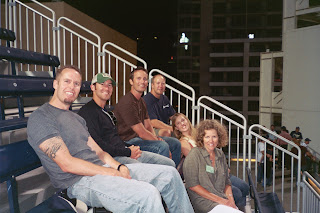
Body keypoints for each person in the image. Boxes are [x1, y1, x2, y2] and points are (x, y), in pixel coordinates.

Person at [27, 65, 194, 212]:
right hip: (78, 182)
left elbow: (99, 152)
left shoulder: (76, 118)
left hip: (102, 169)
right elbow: (66, 164)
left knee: (170, 174)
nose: (72, 87)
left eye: (76, 83)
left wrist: (119, 166)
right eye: (67, 81)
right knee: (148, 195)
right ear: (55, 84)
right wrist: (111, 172)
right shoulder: (42, 117)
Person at [78, 73, 175, 167]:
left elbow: (115, 139)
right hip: (112, 158)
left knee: (169, 164)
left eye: (109, 85)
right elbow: (98, 145)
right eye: (102, 84)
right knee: (146, 167)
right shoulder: (87, 112)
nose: (106, 88)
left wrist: (130, 148)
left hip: (124, 150)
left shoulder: (107, 112)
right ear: (92, 87)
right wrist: (128, 152)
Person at [172, 113, 249, 210]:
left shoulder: (216, 150)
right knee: (237, 192)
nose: (210, 140)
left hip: (219, 176)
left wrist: (231, 203)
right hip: (206, 179)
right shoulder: (187, 146)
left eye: (183, 120)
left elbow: (226, 181)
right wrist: (224, 200)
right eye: (207, 137)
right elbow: (195, 177)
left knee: (244, 187)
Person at [114, 67, 181, 167]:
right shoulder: (127, 102)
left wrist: (156, 137)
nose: (142, 81)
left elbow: (148, 125)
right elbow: (142, 132)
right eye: (139, 78)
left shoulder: (141, 101)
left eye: (145, 79)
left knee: (175, 143)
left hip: (139, 139)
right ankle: (161, 179)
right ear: (131, 81)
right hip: (128, 141)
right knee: (162, 146)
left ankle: (174, 174)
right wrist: (157, 140)